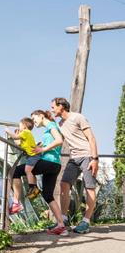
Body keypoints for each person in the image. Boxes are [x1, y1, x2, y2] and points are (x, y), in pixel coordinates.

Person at [10, 110, 68, 236]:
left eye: (34, 117)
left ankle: (17, 202)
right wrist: (37, 147)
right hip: (55, 165)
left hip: (48, 162)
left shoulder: (51, 126)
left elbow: (59, 141)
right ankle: (61, 226)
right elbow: (47, 144)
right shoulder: (47, 130)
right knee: (48, 195)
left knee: (15, 171)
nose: (33, 121)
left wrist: (42, 149)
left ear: (41, 116)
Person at [51, 97, 99, 234]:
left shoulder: (78, 117)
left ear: (61, 106)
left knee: (89, 187)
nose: (52, 109)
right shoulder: (60, 124)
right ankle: (64, 219)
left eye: (53, 106)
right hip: (74, 158)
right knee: (64, 184)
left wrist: (94, 158)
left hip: (87, 156)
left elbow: (91, 137)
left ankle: (86, 221)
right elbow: (58, 140)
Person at [5, 117, 41, 200]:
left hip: (34, 155)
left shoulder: (26, 132)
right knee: (29, 170)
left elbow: (15, 138)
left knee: (28, 170)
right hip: (33, 155)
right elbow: (18, 143)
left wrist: (8, 130)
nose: (19, 127)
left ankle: (33, 188)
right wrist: (17, 135)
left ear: (24, 126)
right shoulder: (26, 134)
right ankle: (34, 189)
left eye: (20, 125)